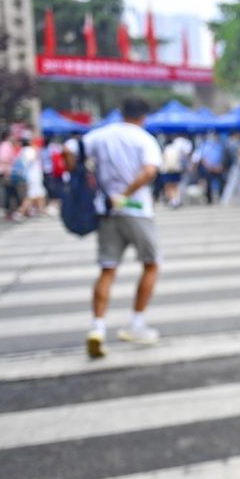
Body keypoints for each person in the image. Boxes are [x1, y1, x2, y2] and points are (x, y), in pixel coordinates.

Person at [64, 98, 163, 359]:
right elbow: (150, 171)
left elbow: (69, 150)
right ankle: (136, 323)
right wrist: (126, 193)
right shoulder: (145, 139)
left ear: (122, 113)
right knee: (151, 264)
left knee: (107, 269)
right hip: (137, 209)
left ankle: (97, 328)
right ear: (144, 116)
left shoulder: (102, 135)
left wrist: (80, 176)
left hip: (106, 210)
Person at [0, 127, 23, 220]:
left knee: (11, 192)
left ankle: (11, 211)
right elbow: (5, 160)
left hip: (7, 172)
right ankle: (10, 211)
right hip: (6, 172)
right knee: (11, 193)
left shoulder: (4, 145)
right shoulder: (6, 145)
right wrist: (8, 172)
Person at [17, 137, 46, 218]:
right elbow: (32, 160)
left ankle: (42, 210)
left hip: (32, 175)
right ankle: (21, 212)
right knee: (32, 194)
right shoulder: (29, 150)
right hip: (34, 175)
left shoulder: (22, 151)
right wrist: (36, 152)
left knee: (40, 193)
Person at [195, 132, 225, 204]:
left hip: (218, 167)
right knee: (208, 184)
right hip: (208, 168)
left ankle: (221, 198)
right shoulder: (204, 145)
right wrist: (210, 166)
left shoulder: (219, 146)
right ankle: (209, 199)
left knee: (221, 182)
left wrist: (219, 166)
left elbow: (222, 157)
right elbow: (202, 158)